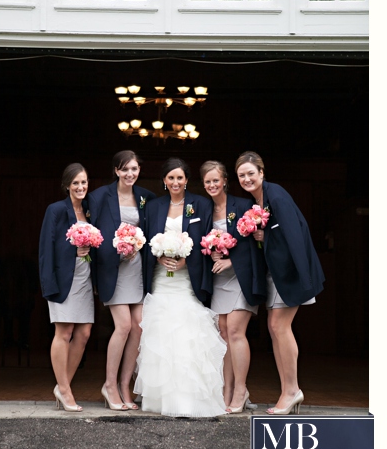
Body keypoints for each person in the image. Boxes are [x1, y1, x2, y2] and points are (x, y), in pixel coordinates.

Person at [135, 157, 227, 417]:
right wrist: (157, 255)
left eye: (180, 177)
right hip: (160, 279)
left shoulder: (201, 205)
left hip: (188, 280)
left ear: (187, 180)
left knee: (188, 332)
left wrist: (188, 258)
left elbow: (207, 241)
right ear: (164, 181)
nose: (175, 182)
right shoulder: (153, 206)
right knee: (160, 333)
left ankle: (189, 399)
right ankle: (160, 399)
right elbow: (144, 240)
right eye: (171, 178)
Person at [235, 151, 324, 415]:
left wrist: (303, 276)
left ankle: (292, 390)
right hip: (277, 273)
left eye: (252, 173)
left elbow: (295, 234)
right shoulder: (258, 201)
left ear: (262, 173)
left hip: (292, 272)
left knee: (278, 326)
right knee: (275, 328)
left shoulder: (276, 195)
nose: (247, 178)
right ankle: (289, 390)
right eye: (242, 175)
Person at [200, 160, 267, 413]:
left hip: (241, 277)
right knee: (223, 334)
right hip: (218, 280)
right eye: (207, 181)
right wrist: (212, 253)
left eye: (216, 180)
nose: (212, 185)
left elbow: (252, 246)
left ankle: (240, 389)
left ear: (225, 180)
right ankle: (226, 389)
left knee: (237, 331)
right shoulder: (204, 209)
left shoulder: (243, 206)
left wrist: (230, 261)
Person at [91, 150, 155, 410]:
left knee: (139, 327)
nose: (130, 174)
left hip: (137, 269)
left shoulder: (146, 197)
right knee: (124, 326)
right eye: (125, 169)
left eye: (134, 169)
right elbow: (92, 232)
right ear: (116, 170)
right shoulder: (99, 197)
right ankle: (109, 385)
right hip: (112, 270)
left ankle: (125, 386)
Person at [38, 163, 95, 412]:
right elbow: (46, 247)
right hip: (63, 279)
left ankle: (64, 386)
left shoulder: (89, 211)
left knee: (83, 334)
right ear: (67, 186)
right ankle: (64, 389)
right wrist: (73, 250)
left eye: (83, 182)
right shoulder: (56, 210)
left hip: (85, 278)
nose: (80, 187)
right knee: (64, 332)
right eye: (75, 183)